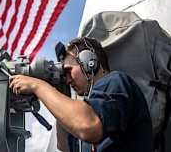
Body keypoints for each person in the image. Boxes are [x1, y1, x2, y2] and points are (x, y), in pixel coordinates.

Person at [9, 37, 153, 152]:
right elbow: (64, 146)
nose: (67, 79)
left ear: (89, 62)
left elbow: (88, 126)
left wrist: (37, 86)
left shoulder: (115, 81)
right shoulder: (86, 109)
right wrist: (63, 93)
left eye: (68, 71)